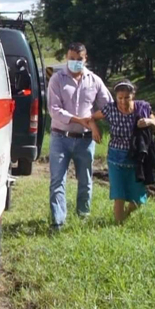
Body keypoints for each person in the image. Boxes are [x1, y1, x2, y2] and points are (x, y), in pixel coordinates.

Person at [46, 42, 112, 231]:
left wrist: (91, 120)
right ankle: (57, 222)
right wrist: (78, 119)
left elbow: (108, 107)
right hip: (60, 137)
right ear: (67, 58)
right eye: (72, 58)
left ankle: (83, 216)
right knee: (57, 180)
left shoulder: (95, 81)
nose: (75, 62)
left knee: (85, 179)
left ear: (85, 58)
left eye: (79, 59)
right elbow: (54, 110)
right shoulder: (57, 79)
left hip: (85, 140)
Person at [84, 80, 155, 223]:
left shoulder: (142, 108)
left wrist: (149, 122)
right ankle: (117, 226)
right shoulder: (110, 109)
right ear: (116, 97)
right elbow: (91, 118)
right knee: (118, 195)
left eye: (127, 98)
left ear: (133, 96)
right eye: (120, 98)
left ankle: (126, 215)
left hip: (137, 158)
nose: (123, 102)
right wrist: (94, 128)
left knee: (138, 200)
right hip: (115, 157)